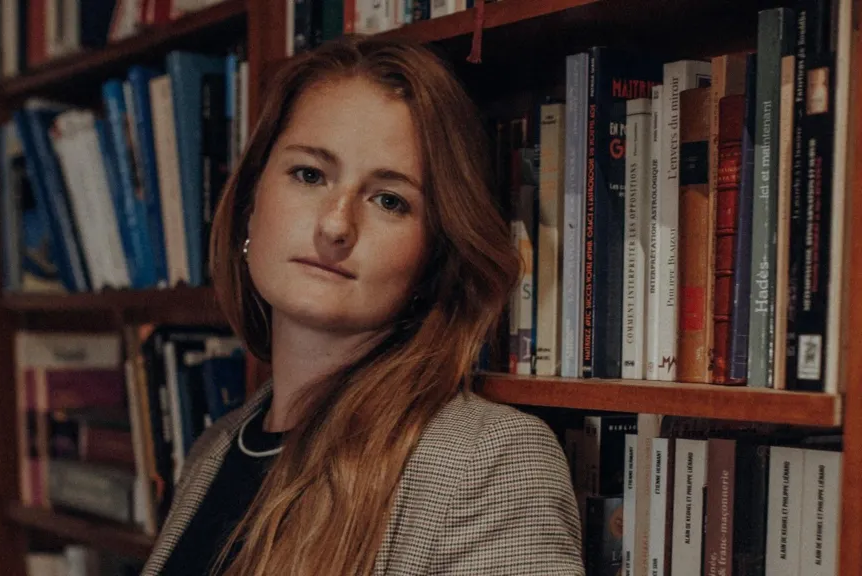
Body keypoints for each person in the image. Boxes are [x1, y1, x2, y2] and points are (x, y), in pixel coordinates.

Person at [140, 34, 584, 576]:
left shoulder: (490, 460)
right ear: (252, 201)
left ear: (434, 253)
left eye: (389, 201)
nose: (336, 224)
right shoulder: (215, 449)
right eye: (309, 174)